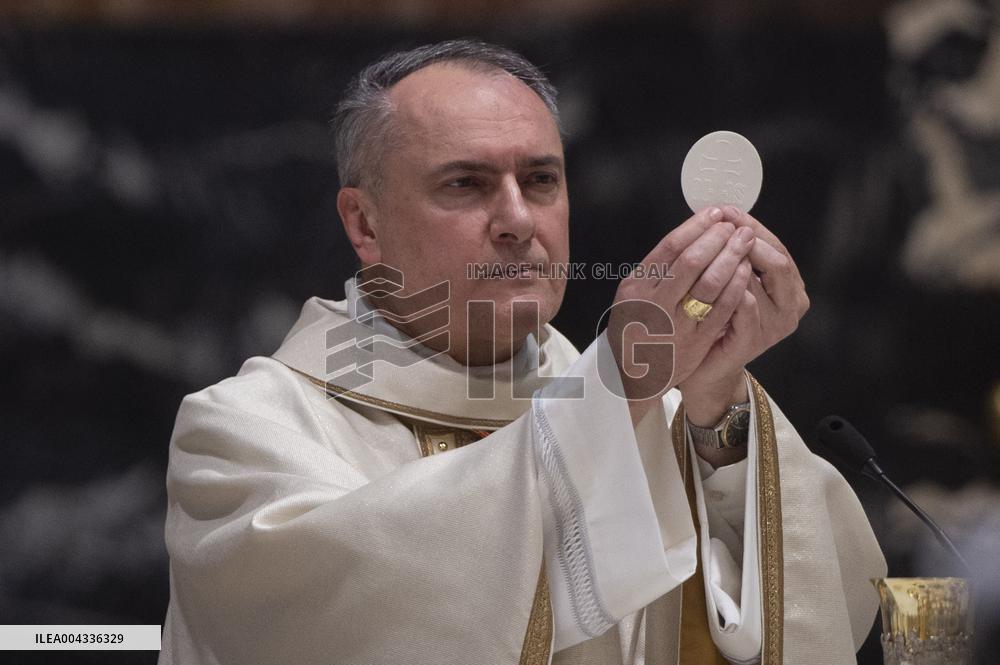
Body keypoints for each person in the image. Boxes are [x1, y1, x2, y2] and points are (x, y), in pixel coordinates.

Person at [159, 39, 886, 665]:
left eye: (540, 180)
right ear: (365, 222)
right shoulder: (240, 432)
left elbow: (838, 607)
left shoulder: (640, 403)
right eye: (466, 184)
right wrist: (619, 390)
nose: (516, 220)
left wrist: (716, 411)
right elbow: (351, 623)